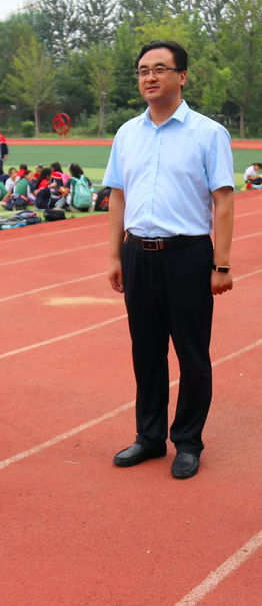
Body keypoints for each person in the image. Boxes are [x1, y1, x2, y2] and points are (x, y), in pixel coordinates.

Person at [104, 40, 234, 480]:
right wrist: (114, 256)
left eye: (160, 68)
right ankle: (149, 437)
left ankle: (188, 442)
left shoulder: (208, 133)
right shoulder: (126, 134)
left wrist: (221, 263)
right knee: (146, 352)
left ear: (182, 76)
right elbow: (117, 198)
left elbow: (224, 202)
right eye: (142, 70)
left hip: (188, 257)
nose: (149, 77)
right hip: (138, 254)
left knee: (192, 355)